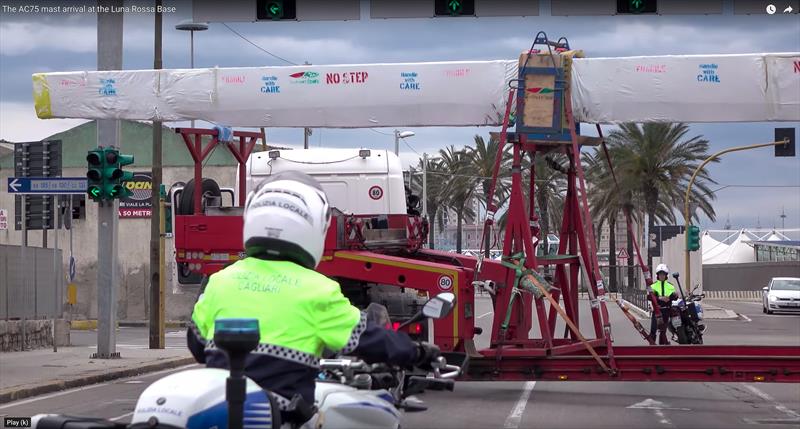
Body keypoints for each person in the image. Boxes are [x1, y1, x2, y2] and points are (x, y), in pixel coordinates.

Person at [187, 171, 440, 420]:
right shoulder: (317, 289)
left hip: (220, 414)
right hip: (283, 415)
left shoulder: (220, 281)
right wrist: (418, 353)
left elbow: (197, 346)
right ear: (314, 227)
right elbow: (369, 338)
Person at [649, 263, 678, 345]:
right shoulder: (653, 286)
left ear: (666, 275)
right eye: (660, 274)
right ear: (657, 275)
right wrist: (659, 298)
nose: (662, 276)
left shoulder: (670, 286)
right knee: (653, 329)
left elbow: (674, 297)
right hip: (657, 310)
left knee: (663, 331)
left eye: (663, 274)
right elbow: (649, 297)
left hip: (666, 310)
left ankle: (662, 348)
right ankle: (651, 347)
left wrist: (673, 296)